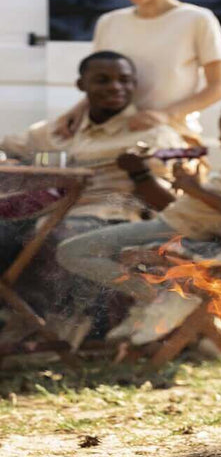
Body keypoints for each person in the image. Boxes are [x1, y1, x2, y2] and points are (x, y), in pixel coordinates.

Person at [56, 88, 221, 310]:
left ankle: (155, 296)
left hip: (173, 229)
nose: (219, 139)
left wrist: (195, 190)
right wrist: (186, 184)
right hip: (170, 224)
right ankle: (153, 298)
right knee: (78, 250)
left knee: (72, 251)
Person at [0, 50, 189, 318]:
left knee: (53, 236)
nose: (116, 87)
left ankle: (59, 324)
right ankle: (16, 316)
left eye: (125, 80)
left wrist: (140, 173)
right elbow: (8, 148)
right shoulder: (56, 131)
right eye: (103, 80)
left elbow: (165, 201)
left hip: (110, 217)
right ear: (81, 86)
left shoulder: (151, 134)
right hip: (44, 211)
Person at [54, 0, 221, 139]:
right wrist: (77, 111)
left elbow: (218, 87)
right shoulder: (109, 22)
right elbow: (100, 82)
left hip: (171, 134)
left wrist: (164, 115)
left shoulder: (196, 19)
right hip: (112, 132)